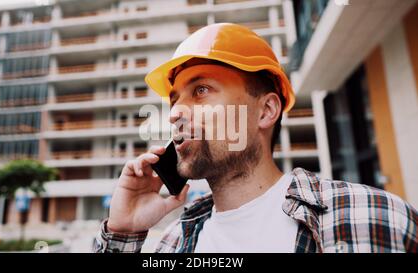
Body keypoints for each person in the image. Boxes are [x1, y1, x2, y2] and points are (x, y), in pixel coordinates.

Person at [93, 23, 417, 253]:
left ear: (265, 112)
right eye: (174, 99)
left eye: (201, 90)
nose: (176, 112)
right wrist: (123, 232)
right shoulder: (173, 243)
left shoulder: (376, 218)